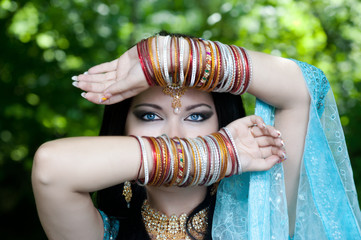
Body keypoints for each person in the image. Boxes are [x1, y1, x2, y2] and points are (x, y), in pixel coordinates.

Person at [32, 33, 361, 240]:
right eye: (149, 115)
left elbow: (306, 88)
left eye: (196, 116)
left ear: (223, 124)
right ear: (123, 129)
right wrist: (215, 155)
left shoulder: (258, 216)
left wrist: (179, 56)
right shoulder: (102, 233)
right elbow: (51, 169)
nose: (174, 134)